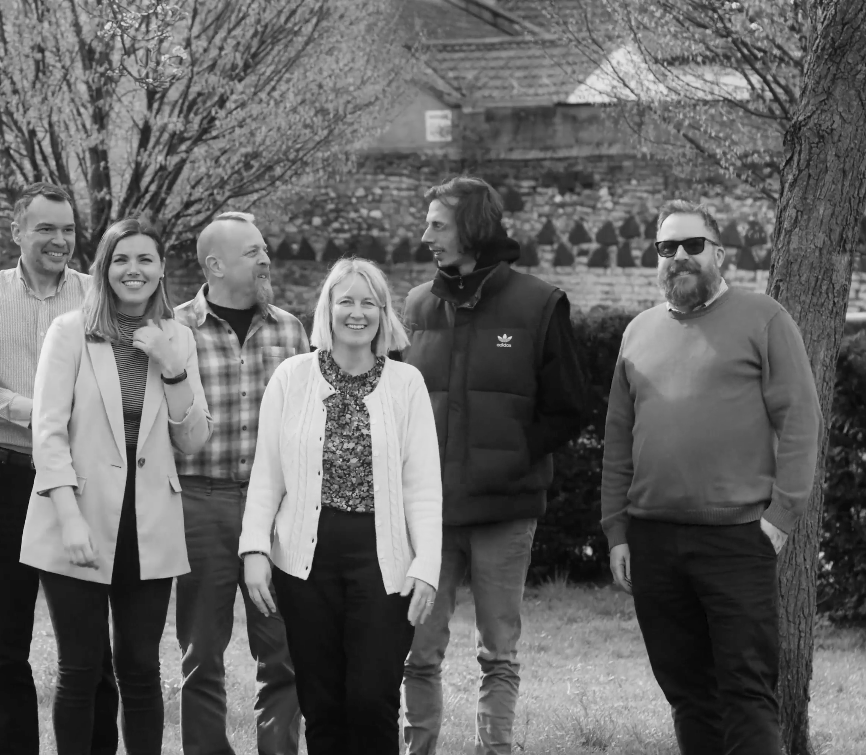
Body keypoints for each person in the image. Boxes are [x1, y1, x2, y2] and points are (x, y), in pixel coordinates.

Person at [601, 200, 820, 755]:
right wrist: (617, 531)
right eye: (666, 248)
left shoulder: (765, 319)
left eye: (692, 245)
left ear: (719, 254)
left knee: (747, 693)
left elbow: (800, 420)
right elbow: (618, 439)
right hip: (652, 541)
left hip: (738, 539)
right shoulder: (638, 332)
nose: (679, 257)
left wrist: (780, 519)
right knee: (687, 694)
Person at [401, 175, 587, 755]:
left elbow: (570, 406)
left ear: (474, 229)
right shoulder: (417, 306)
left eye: (437, 224)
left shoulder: (539, 303)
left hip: (505, 512)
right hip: (432, 517)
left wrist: (512, 459)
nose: (425, 234)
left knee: (497, 653)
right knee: (417, 651)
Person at [21, 217, 212, 755]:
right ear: (104, 270)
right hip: (77, 516)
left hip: (149, 522)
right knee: (79, 669)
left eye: (145, 259)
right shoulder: (70, 332)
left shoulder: (178, 339)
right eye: (121, 259)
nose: (134, 270)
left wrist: (172, 369)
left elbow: (193, 440)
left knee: (141, 670)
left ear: (161, 270)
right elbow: (48, 430)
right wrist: (69, 516)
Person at [240, 257, 442, 755]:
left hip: (383, 560)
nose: (357, 313)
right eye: (345, 301)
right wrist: (253, 550)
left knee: (372, 701)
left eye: (368, 302)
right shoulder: (292, 378)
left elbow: (423, 486)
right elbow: (267, 474)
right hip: (304, 562)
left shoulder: (406, 384)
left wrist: (428, 565)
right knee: (321, 703)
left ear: (383, 313)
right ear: (327, 310)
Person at [0, 182, 120, 754]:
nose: (59, 240)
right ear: (16, 231)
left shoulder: (98, 296)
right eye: (45, 228)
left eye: (68, 229)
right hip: (7, 477)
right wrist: (39, 413)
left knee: (93, 645)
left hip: (83, 481)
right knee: (5, 641)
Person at [172, 211, 306, 755]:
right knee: (201, 653)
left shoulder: (291, 329)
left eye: (264, 247)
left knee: (283, 652)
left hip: (275, 509)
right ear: (215, 264)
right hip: (200, 502)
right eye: (253, 251)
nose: (265, 257)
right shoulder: (175, 328)